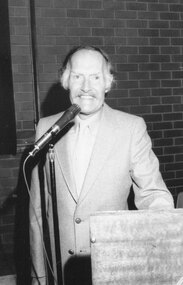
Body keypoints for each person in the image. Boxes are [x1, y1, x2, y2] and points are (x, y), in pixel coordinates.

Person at [29, 46, 174, 285]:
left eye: (95, 77)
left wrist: (164, 240)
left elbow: (153, 194)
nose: (86, 86)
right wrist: (39, 277)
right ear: (66, 81)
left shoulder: (131, 128)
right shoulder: (46, 128)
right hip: (61, 272)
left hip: (114, 269)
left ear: (108, 84)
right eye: (78, 76)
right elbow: (36, 213)